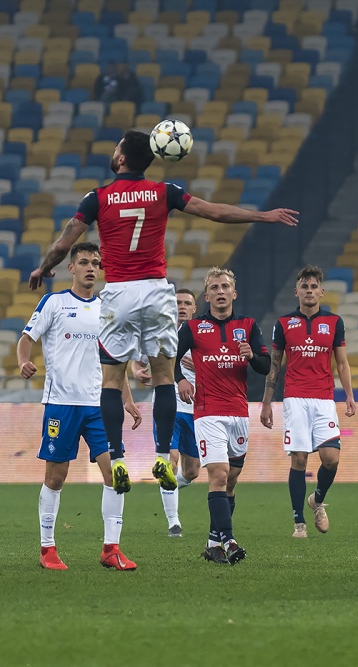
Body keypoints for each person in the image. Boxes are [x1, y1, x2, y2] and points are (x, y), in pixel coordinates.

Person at [27, 130, 297, 499]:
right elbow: (214, 211)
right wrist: (262, 216)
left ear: (122, 158)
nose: (114, 151)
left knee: (111, 380)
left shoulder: (97, 198)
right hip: (156, 292)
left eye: (117, 147)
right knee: (164, 377)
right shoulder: (163, 191)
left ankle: (117, 458)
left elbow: (63, 243)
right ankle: (160, 457)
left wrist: (43, 268)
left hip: (118, 292)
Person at [17, 242, 141, 571]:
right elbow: (26, 338)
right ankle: (47, 549)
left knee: (116, 474)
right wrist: (24, 361)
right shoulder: (54, 303)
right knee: (56, 478)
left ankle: (111, 549)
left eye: (96, 263)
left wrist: (127, 398)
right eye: (84, 262)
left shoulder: (108, 310)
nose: (90, 268)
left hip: (100, 406)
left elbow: (114, 361)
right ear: (71, 268)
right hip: (62, 404)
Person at [174, 268, 271, 564]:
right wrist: (181, 379)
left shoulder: (249, 325)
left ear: (234, 293)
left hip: (239, 411)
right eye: (214, 287)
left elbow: (266, 366)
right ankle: (229, 541)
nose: (220, 291)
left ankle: (213, 542)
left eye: (225, 286)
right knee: (218, 474)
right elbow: (170, 358)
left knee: (230, 481)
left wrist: (252, 356)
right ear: (206, 296)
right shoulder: (193, 328)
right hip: (207, 412)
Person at [260, 265, 356, 538]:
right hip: (295, 398)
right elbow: (275, 365)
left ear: (321, 292)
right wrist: (266, 403)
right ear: (297, 292)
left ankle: (317, 499)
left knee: (331, 458)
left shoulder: (335, 322)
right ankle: (299, 523)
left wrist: (349, 395)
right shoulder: (283, 324)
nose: (309, 291)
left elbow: (342, 363)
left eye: (314, 287)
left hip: (324, 398)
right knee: (299, 459)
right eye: (305, 286)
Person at [133, 288, 202, 537]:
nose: (182, 307)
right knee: (169, 460)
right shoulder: (159, 333)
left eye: (187, 303)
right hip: (167, 406)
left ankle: (167, 488)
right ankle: (174, 523)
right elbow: (137, 360)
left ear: (194, 308)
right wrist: (137, 372)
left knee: (192, 471)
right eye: (178, 303)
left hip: (197, 410)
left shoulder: (203, 335)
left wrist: (201, 366)